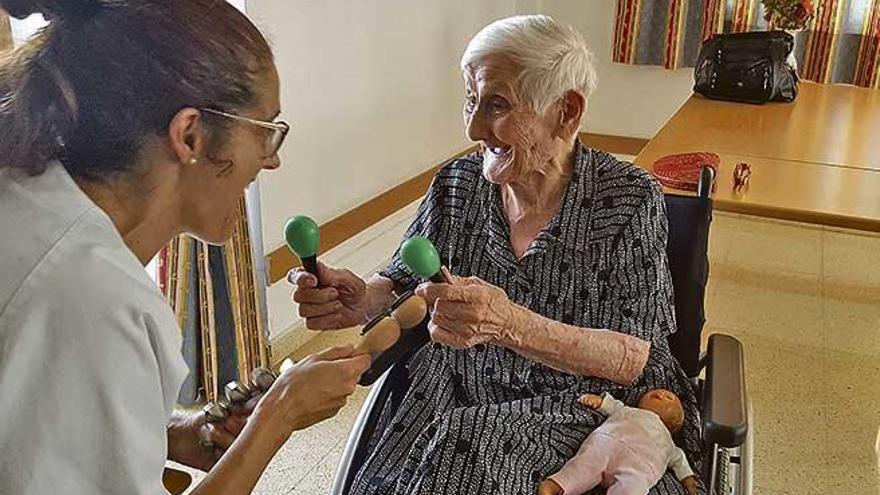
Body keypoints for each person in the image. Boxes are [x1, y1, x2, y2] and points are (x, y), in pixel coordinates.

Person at [291, 15, 702, 494]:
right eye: (471, 99)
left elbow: (632, 357)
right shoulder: (457, 184)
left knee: (463, 449)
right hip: (456, 390)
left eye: (497, 104)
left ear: (566, 111)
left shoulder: (628, 199)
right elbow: (405, 284)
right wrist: (361, 299)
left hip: (587, 405)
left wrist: (511, 324)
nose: (472, 127)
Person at [0, 1, 370, 494]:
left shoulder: (26, 195)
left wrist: (170, 435)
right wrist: (278, 417)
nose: (270, 160)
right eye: (264, 131)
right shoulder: (100, 301)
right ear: (190, 135)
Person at [539, 390, 698, 495]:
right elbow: (612, 405)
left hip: (637, 468)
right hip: (607, 443)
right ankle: (555, 486)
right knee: (585, 465)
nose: (662, 393)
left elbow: (679, 459)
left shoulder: (669, 444)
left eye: (669, 399)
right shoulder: (629, 411)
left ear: (675, 423)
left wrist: (688, 478)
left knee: (633, 486)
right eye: (658, 393)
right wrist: (599, 401)